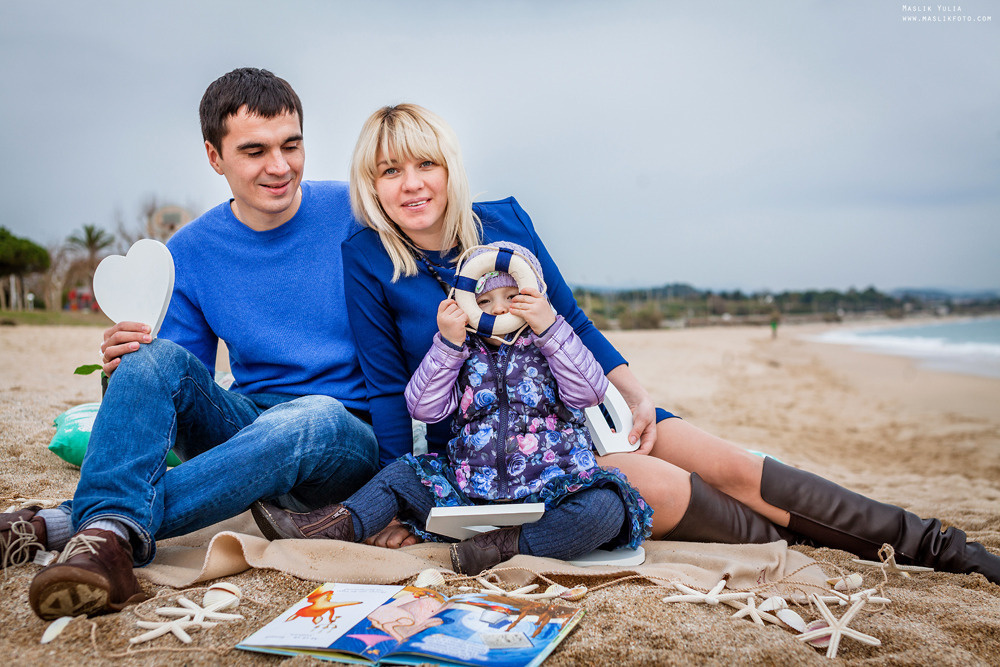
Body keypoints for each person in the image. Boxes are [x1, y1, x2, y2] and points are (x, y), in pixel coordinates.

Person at [266, 103, 999, 585]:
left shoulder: (505, 221)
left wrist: (636, 389)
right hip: (492, 458)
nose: (411, 184)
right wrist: (408, 498)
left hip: (578, 411)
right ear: (371, 183)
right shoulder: (368, 257)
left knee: (737, 466)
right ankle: (805, 544)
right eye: (390, 170)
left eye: (424, 164)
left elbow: (573, 321)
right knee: (675, 493)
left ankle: (946, 547)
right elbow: (392, 389)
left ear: (449, 167)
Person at [0, 68, 381, 620]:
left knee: (309, 416)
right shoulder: (191, 252)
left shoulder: (356, 212)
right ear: (214, 155)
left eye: (291, 145)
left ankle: (64, 523)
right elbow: (174, 407)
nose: (279, 167)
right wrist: (124, 371)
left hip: (346, 439)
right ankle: (107, 537)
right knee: (151, 357)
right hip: (247, 427)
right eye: (254, 150)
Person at [252, 242, 651, 575]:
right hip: (467, 492)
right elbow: (423, 409)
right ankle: (329, 525)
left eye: (512, 298)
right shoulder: (461, 351)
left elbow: (589, 392)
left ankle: (504, 547)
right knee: (400, 475)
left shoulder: (550, 345)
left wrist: (551, 329)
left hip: (550, 493)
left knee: (607, 508)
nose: (498, 309)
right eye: (484, 300)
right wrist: (447, 346)